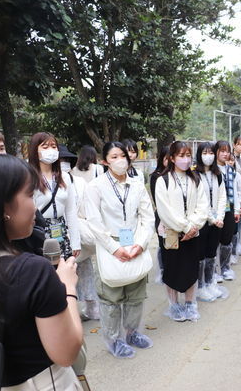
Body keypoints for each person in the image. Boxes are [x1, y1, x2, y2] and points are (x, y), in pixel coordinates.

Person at [0, 154, 83, 390]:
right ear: (3, 205)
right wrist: (68, 287)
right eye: (29, 195)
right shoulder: (31, 271)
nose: (35, 205)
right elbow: (66, 353)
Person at [85, 141, 155, 358]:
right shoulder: (95, 187)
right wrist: (115, 249)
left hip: (135, 242)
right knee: (111, 296)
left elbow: (147, 216)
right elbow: (94, 222)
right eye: (113, 157)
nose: (119, 160)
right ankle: (113, 339)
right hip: (109, 244)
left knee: (136, 293)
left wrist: (141, 244)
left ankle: (132, 332)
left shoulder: (136, 183)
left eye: (122, 155)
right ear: (104, 161)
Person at [154, 141, 208, 322]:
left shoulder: (196, 179)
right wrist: (185, 227)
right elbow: (164, 210)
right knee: (172, 270)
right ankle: (174, 305)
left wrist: (193, 227)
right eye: (181, 156)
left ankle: (190, 304)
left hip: (193, 234)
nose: (185, 160)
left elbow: (203, 206)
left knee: (192, 269)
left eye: (188, 156)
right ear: (171, 158)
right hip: (171, 234)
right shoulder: (163, 180)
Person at [59, 145, 100, 322]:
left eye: (66, 161)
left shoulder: (79, 183)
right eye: (61, 161)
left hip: (78, 236)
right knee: (63, 274)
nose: (64, 164)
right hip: (59, 236)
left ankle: (92, 309)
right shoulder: (44, 183)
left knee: (85, 273)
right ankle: (68, 312)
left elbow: (86, 209)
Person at [28, 132, 81, 260]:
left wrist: (75, 242)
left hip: (61, 231)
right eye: (45, 147)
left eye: (53, 146)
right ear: (35, 150)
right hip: (40, 231)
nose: (50, 150)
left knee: (65, 270)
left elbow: (71, 211)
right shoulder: (29, 177)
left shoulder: (65, 177)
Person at [194, 142, 227, 302]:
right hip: (202, 221)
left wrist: (220, 217)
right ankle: (200, 287)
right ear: (199, 155)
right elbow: (199, 201)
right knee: (200, 254)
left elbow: (222, 196)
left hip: (217, 221)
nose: (209, 155)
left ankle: (209, 282)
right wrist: (212, 219)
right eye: (205, 152)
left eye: (211, 152)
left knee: (211, 253)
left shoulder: (217, 173)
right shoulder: (194, 175)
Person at [213, 141, 240, 280]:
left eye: (227, 151)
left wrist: (236, 210)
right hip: (215, 211)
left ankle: (224, 268)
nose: (225, 154)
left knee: (226, 240)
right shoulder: (212, 170)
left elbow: (234, 191)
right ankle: (214, 271)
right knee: (214, 241)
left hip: (229, 210)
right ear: (216, 152)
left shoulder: (231, 170)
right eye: (222, 151)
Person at [149, 146, 170, 284]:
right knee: (164, 243)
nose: (169, 161)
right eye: (167, 158)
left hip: (173, 216)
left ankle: (169, 269)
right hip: (162, 216)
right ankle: (163, 271)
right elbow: (158, 200)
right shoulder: (157, 176)